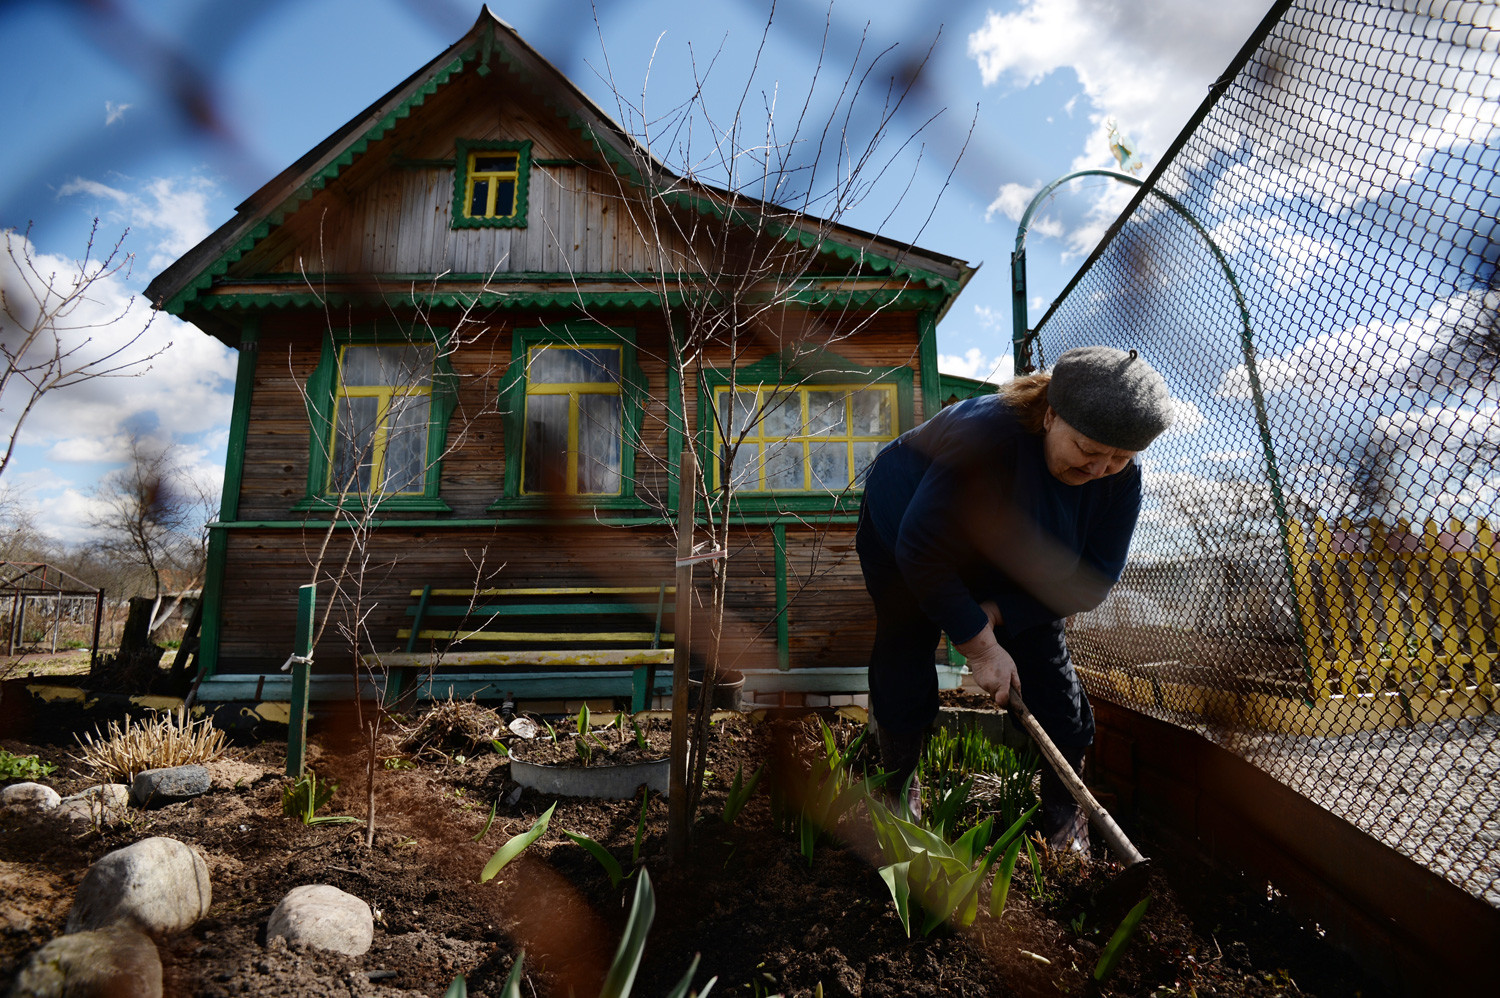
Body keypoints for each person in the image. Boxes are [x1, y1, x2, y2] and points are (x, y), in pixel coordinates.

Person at [855, 345, 1173, 851]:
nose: (1099, 469)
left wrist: (1002, 612)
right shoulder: (986, 436)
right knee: (906, 643)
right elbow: (921, 547)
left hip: (1013, 563)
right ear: (1050, 415)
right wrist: (980, 646)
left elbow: (1091, 579)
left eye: (1119, 458)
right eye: (1088, 450)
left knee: (1047, 673)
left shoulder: (1119, 482)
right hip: (907, 536)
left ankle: (1065, 813)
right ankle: (897, 786)